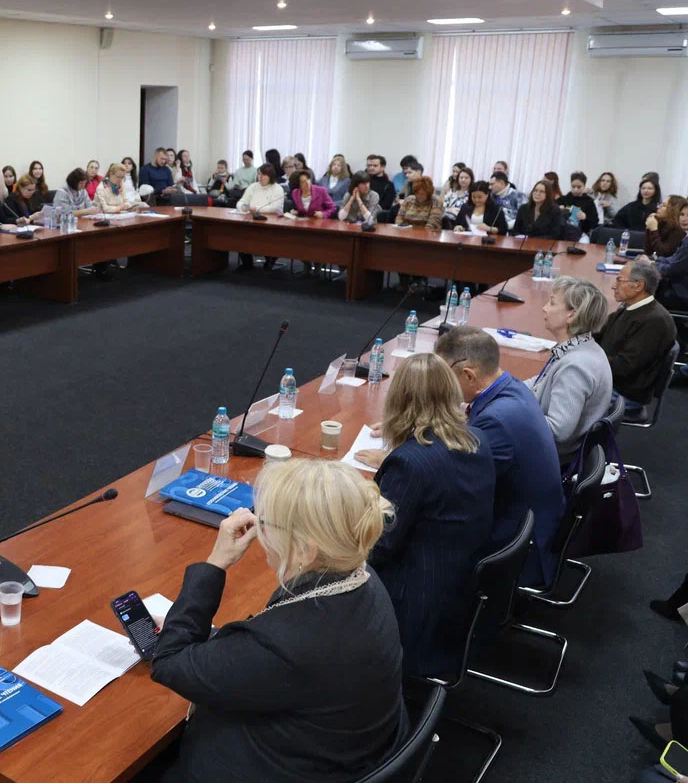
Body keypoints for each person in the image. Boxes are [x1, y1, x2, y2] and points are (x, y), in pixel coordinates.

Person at [148, 458, 406, 782]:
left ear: (306, 552)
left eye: (267, 522)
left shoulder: (286, 645)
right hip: (343, 752)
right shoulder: (365, 578)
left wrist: (216, 562)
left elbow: (169, 662)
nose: (259, 529)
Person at [354, 353, 496, 678]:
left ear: (399, 400)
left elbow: (377, 548)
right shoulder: (477, 439)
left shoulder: (409, 463)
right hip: (455, 587)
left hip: (413, 604)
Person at [435, 327, 565, 589]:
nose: (440, 385)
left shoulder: (496, 421)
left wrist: (399, 453)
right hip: (533, 519)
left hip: (518, 546)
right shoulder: (510, 386)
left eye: (443, 377)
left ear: (469, 375)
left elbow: (450, 482)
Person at [533, 277, 614, 462]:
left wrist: (512, 413)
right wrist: (504, 386)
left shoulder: (575, 366)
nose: (544, 308)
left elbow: (557, 431)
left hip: (548, 457)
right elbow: (540, 382)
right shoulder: (581, 346)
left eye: (552, 303)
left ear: (571, 315)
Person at [597, 260, 677, 417]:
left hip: (624, 394)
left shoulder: (654, 322)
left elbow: (624, 368)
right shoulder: (630, 308)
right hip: (612, 381)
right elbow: (599, 336)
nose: (614, 286)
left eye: (620, 280)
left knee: (563, 390)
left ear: (639, 286)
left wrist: (585, 362)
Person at [651, 198, 688, 309]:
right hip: (678, 288)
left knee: (642, 293)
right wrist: (656, 262)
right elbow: (672, 258)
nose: (684, 219)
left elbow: (672, 270)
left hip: (681, 295)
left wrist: (653, 264)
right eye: (682, 214)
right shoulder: (686, 238)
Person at [557, 171, 601, 236]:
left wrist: (586, 217)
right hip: (562, 232)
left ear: (584, 186)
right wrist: (557, 209)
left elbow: (595, 221)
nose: (576, 189)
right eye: (573, 186)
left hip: (581, 233)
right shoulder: (563, 199)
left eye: (579, 187)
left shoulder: (589, 201)